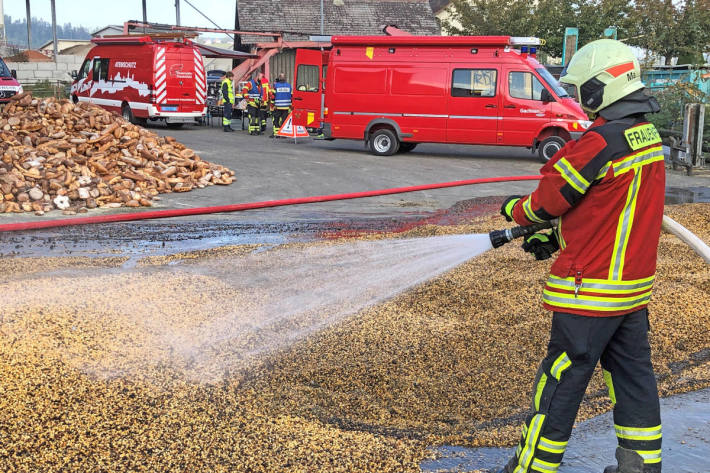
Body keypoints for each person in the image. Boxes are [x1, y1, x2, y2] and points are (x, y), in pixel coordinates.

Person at [497, 39, 664, 473]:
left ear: (602, 86)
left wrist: (515, 211)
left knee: (561, 381)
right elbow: (609, 208)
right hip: (631, 290)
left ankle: (532, 467)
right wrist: (561, 235)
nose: (580, 100)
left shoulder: (599, 140)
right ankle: (642, 465)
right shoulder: (645, 134)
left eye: (583, 90)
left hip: (588, 289)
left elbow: (549, 200)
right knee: (632, 377)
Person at [271, 73, 292, 138]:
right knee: (284, 120)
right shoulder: (289, 86)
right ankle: (283, 134)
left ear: (279, 78)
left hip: (278, 106)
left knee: (276, 120)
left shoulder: (276, 86)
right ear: (285, 78)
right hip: (286, 107)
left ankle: (277, 134)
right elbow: (292, 96)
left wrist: (272, 105)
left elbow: (272, 96)